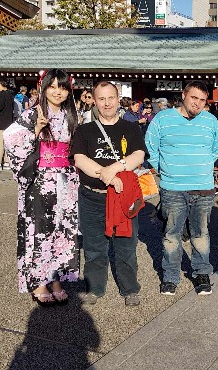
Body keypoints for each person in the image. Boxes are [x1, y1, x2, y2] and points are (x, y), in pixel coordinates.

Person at [3, 69, 80, 307]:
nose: (58, 91)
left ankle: (57, 279)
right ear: (43, 87)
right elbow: (10, 139)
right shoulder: (30, 114)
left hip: (66, 181)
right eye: (53, 86)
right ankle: (39, 281)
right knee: (40, 230)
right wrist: (35, 131)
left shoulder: (72, 116)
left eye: (63, 87)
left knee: (63, 230)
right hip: (39, 179)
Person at [71, 81, 147, 306]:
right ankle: (95, 288)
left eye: (111, 98)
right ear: (94, 100)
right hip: (92, 196)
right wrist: (108, 177)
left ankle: (130, 288)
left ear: (118, 98)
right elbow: (80, 159)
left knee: (126, 245)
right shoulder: (84, 130)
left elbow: (139, 155)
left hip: (123, 198)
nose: (106, 103)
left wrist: (115, 168)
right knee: (94, 246)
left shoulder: (131, 127)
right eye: (101, 99)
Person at [145, 81, 218, 296]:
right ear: (184, 95)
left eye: (202, 100)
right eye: (193, 97)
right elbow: (151, 146)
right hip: (172, 186)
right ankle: (170, 276)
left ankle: (201, 273)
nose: (197, 103)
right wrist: (165, 168)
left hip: (203, 187)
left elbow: (216, 149)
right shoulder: (163, 118)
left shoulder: (211, 121)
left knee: (201, 234)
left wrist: (203, 166)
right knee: (172, 234)